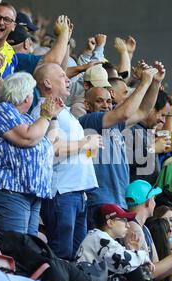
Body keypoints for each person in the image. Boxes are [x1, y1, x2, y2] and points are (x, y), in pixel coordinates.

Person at [79, 61, 164, 225]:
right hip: (100, 201)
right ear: (87, 105)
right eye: (99, 101)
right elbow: (124, 112)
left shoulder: (115, 124)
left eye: (109, 101)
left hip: (119, 200)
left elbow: (143, 110)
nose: (106, 105)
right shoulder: (88, 121)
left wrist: (155, 82)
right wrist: (145, 82)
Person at [0, 72, 62, 237]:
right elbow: (28, 138)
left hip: (30, 194)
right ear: (26, 97)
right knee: (15, 247)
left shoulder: (27, 119)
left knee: (28, 250)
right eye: (32, 92)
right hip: (9, 190)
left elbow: (49, 142)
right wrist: (45, 115)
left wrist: (53, 117)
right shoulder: (3, 110)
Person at [31, 63, 100, 260]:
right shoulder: (42, 112)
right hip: (61, 192)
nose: (68, 79)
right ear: (47, 83)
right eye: (62, 76)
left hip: (77, 192)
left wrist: (88, 149)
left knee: (77, 257)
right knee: (62, 254)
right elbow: (51, 150)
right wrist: (86, 143)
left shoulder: (65, 112)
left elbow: (75, 149)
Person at [124, 179, 172, 281]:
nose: (155, 203)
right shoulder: (134, 230)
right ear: (147, 202)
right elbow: (148, 274)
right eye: (154, 199)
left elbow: (157, 272)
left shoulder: (144, 228)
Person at [76, 204, 155, 277]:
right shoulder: (99, 237)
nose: (128, 225)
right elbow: (124, 263)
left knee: (137, 268)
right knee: (136, 269)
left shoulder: (100, 237)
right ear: (110, 223)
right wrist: (144, 256)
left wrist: (132, 251)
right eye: (124, 220)